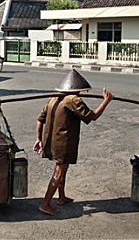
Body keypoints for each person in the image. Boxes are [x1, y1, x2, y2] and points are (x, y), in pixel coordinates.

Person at [33, 69, 114, 216]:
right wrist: (106, 102)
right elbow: (92, 117)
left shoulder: (53, 99)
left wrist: (39, 139)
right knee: (59, 172)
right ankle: (45, 204)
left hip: (51, 142)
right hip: (63, 143)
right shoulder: (73, 100)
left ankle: (61, 197)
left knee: (63, 169)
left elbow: (40, 120)